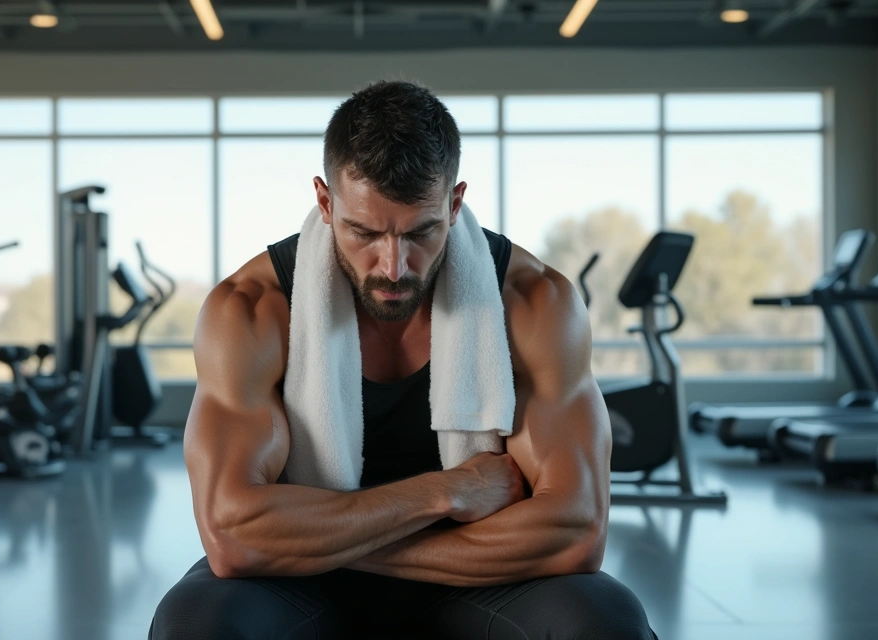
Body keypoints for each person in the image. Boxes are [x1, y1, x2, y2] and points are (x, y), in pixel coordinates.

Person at [150, 80, 656, 639]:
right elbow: (232, 534)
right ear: (325, 202)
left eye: (422, 232)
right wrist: (446, 491)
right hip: (309, 584)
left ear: (454, 203)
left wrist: (322, 540)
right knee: (196, 626)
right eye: (364, 232)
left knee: (604, 623)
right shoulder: (251, 311)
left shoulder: (536, 303)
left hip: (473, 572)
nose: (393, 267)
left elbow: (575, 529)